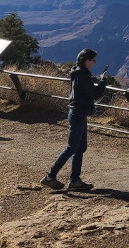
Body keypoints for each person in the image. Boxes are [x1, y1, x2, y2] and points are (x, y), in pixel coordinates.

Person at [41, 48, 108, 191]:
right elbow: (94, 94)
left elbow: (84, 88)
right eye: (93, 60)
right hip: (78, 114)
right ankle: (50, 177)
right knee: (72, 147)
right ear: (86, 60)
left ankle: (75, 181)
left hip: (78, 113)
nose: (95, 63)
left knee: (80, 148)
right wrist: (103, 81)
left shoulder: (78, 72)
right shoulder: (82, 75)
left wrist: (95, 79)